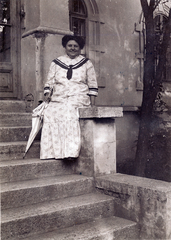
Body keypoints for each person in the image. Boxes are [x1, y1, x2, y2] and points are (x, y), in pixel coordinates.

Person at [40, 35, 98, 160]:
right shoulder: (56, 62)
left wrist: (93, 105)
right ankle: (52, 152)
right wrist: (47, 97)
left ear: (80, 48)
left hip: (78, 97)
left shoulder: (86, 63)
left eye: (75, 46)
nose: (72, 48)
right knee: (50, 112)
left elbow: (93, 85)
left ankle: (70, 153)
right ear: (65, 47)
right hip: (59, 97)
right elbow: (49, 82)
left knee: (69, 112)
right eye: (70, 45)